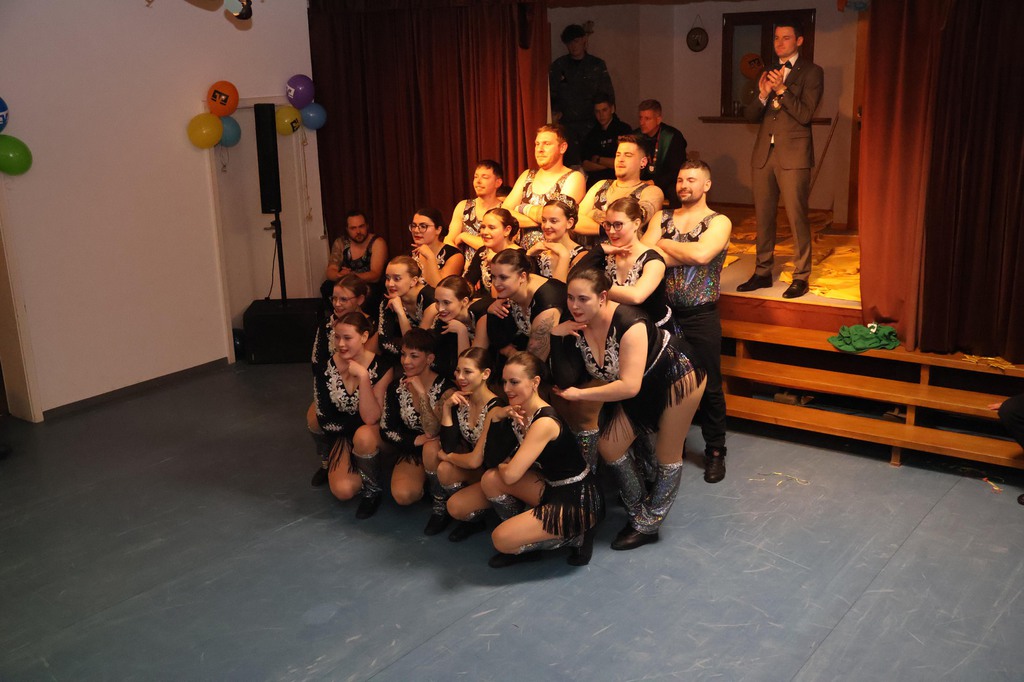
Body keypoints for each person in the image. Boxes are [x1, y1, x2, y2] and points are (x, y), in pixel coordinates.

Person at [550, 268, 706, 550]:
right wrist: (555, 335)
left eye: (583, 299)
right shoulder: (574, 324)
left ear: (602, 297)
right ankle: (638, 509)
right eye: (570, 298)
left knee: (667, 453)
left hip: (677, 374)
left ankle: (649, 525)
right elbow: (565, 378)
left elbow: (629, 387)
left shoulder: (630, 322)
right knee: (609, 446)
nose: (574, 305)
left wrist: (581, 394)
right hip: (640, 383)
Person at [643, 161, 733, 483]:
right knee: (664, 382)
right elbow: (644, 254)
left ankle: (715, 451)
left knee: (709, 385)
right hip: (664, 314)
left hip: (700, 314)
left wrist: (665, 244)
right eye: (680, 179)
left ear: (706, 185)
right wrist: (681, 250)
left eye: (691, 180)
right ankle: (671, 445)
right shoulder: (661, 217)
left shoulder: (718, 221)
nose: (683, 185)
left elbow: (702, 256)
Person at [480, 351, 604, 567]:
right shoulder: (517, 412)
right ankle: (526, 536)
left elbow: (510, 475)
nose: (507, 389)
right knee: (490, 479)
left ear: (535, 382)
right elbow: (491, 462)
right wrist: (498, 418)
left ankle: (579, 535)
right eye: (505, 382)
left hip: (577, 498)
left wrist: (504, 465)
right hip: (551, 486)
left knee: (500, 539)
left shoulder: (544, 422)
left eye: (514, 382)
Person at [737, 19, 824, 300]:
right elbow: (751, 116)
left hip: (794, 154)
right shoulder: (768, 72)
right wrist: (763, 95)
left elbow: (805, 114)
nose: (779, 43)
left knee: (796, 217)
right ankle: (762, 271)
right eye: (776, 38)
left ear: (799, 41)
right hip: (764, 152)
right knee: (763, 216)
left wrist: (782, 90)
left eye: (786, 38)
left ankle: (801, 276)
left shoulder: (812, 72)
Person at [314, 312, 395, 519]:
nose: (341, 344)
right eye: (337, 337)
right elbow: (325, 420)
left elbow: (372, 418)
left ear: (364, 336)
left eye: (347, 338)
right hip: (343, 436)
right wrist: (349, 432)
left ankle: (373, 490)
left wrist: (364, 378)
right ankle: (355, 464)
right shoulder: (325, 367)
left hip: (371, 434)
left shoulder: (382, 367)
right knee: (343, 491)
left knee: (364, 435)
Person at [308, 275, 375, 487]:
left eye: (343, 299)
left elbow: (374, 363)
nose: (337, 304)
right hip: (334, 388)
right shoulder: (326, 326)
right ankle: (327, 460)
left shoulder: (372, 326)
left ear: (360, 299)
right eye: (334, 298)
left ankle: (367, 464)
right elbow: (317, 363)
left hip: (365, 392)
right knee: (314, 418)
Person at [378, 329, 452, 522]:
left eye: (414, 356)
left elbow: (433, 431)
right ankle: (423, 484)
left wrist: (421, 395)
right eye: (403, 354)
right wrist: (413, 441)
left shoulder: (446, 387)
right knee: (403, 495)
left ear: (429, 359)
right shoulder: (396, 386)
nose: (406, 361)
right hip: (412, 449)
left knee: (431, 446)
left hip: (441, 451)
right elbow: (386, 430)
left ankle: (440, 505)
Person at [435, 348, 504, 542]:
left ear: (485, 374)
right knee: (444, 469)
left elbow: (473, 460)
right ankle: (474, 520)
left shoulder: (496, 407)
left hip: (499, 475)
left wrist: (448, 457)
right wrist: (447, 408)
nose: (460, 377)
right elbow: (448, 446)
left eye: (467, 372)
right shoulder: (461, 400)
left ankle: (505, 518)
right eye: (458, 371)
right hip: (480, 470)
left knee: (454, 500)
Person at [575, 196, 672, 332]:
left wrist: (592, 289)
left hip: (651, 333)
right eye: (607, 225)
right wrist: (599, 249)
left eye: (618, 225)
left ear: (636, 224)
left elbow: (637, 296)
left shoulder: (653, 261)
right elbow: (573, 278)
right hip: (615, 329)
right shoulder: (605, 254)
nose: (611, 231)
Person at [473, 249, 567, 363]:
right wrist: (509, 351)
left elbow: (533, 363)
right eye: (493, 276)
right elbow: (498, 338)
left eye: (503, 277)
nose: (496, 283)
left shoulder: (547, 305)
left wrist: (511, 353)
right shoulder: (509, 291)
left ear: (522, 276)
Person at [502, 124, 586, 252]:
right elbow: (504, 215)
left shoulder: (574, 177)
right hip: (521, 255)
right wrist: (538, 219)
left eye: (546, 144)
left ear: (562, 148)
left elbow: (557, 217)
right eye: (537, 144)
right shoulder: (527, 175)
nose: (540, 149)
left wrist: (521, 208)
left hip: (554, 254)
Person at [549, 24, 614, 168]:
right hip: (567, 125)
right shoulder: (559, 66)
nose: (573, 46)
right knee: (570, 165)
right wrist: (556, 114)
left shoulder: (596, 65)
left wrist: (607, 119)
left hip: (593, 124)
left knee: (593, 163)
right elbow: (552, 95)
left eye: (576, 41)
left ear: (584, 40)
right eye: (569, 43)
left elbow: (606, 95)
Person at [576, 135, 664, 239]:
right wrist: (606, 229)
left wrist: (592, 214)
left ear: (643, 162)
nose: (620, 159)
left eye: (628, 155)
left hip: (626, 249)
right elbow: (575, 220)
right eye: (618, 155)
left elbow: (631, 223)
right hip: (590, 249)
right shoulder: (600, 185)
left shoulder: (651, 191)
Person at [446, 160, 505, 272]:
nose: (478, 181)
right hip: (466, 271)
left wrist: (464, 236)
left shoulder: (504, 209)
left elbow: (500, 247)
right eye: (476, 177)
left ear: (498, 182)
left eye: (485, 177)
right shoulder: (464, 206)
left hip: (496, 270)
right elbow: (449, 240)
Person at [324, 210, 389, 310]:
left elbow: (375, 275)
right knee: (326, 287)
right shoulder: (341, 242)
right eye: (353, 228)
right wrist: (339, 275)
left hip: (368, 285)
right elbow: (330, 272)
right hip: (345, 284)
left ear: (367, 226)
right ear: (347, 229)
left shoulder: (377, 242)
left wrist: (352, 276)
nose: (358, 231)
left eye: (361, 226)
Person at [419, 275, 479, 383]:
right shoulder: (441, 319)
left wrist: (462, 331)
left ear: (464, 301)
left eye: (446, 302)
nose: (440, 308)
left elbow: (469, 366)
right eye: (437, 302)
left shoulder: (480, 314)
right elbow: (420, 348)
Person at [377, 256, 435, 365]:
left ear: (413, 281)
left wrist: (400, 312)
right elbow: (384, 342)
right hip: (407, 359)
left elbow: (416, 346)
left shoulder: (430, 299)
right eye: (388, 278)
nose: (390, 284)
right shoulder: (389, 298)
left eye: (397, 279)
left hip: (435, 358)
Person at [635, 100, 687, 209]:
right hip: (641, 181)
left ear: (658, 119)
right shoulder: (635, 136)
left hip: (666, 182)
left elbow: (676, 170)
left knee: (676, 193)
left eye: (647, 118)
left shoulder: (672, 136)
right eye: (640, 118)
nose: (642, 123)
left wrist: (655, 182)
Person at [526, 196, 587, 282]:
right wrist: (529, 254)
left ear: (569, 223)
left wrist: (563, 256)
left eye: (553, 221)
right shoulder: (539, 251)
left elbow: (560, 288)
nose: (546, 226)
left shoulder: (581, 256)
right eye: (544, 220)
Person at [464, 208, 519, 298]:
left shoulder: (519, 255)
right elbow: (468, 282)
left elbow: (507, 295)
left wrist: (496, 261)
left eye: (491, 228)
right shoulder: (483, 252)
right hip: (486, 302)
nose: (484, 232)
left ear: (507, 230)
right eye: (483, 227)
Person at [580, 93, 632, 187]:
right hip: (595, 184)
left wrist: (598, 159)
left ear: (612, 109)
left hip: (617, 183)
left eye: (604, 110)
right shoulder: (592, 134)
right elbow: (585, 165)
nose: (601, 115)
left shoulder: (624, 130)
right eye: (597, 111)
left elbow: (625, 162)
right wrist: (609, 164)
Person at [409, 207, 464, 287]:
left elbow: (441, 289)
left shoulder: (454, 256)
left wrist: (430, 256)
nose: (416, 230)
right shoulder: (410, 254)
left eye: (423, 226)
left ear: (438, 229)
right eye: (414, 226)